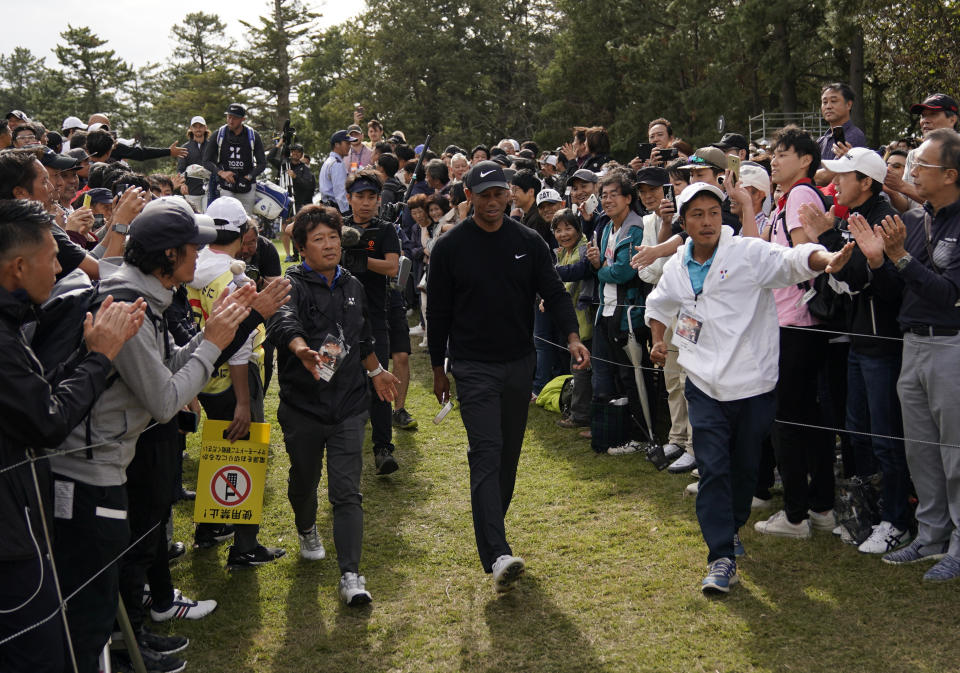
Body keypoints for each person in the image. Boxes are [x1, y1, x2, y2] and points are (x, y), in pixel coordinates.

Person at [48, 198, 255, 673]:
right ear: (167, 257)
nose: (200, 256)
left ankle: (127, 648)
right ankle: (109, 659)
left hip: (105, 463)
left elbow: (163, 373)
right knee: (94, 590)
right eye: (192, 248)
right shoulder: (127, 301)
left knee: (108, 577)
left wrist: (210, 336)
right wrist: (213, 344)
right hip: (86, 468)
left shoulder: (147, 296)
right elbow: (164, 403)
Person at [645, 182, 853, 594]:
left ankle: (731, 525)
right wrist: (657, 339)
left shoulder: (747, 252)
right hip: (702, 383)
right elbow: (660, 304)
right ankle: (720, 557)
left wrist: (826, 257)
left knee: (743, 470)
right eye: (697, 215)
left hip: (753, 385)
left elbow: (792, 259)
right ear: (683, 222)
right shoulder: (677, 267)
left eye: (714, 213)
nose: (707, 222)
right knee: (714, 470)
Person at [427, 160, 588, 593]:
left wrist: (572, 337)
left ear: (510, 195)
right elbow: (438, 312)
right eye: (485, 195)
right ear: (469, 197)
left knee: (508, 459)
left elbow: (553, 292)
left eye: (501, 193)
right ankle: (498, 553)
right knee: (486, 450)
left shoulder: (530, 241)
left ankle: (492, 532)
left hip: (519, 363)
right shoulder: (449, 247)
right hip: (472, 366)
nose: (494, 202)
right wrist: (438, 369)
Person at [0, 199, 143, 673]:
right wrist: (100, 357)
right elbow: (47, 420)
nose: (62, 265)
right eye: (51, 257)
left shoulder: (15, 323)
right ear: (18, 267)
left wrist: (86, 349)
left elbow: (31, 397)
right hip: (12, 538)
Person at [268, 204, 399, 605]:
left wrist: (377, 373)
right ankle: (306, 527)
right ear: (302, 247)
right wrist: (301, 349)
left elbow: (361, 341)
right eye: (318, 239)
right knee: (304, 482)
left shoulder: (353, 285)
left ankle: (351, 576)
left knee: (347, 492)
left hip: (349, 406)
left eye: (333, 238)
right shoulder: (290, 284)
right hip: (303, 407)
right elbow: (282, 321)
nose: (329, 246)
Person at [802, 147, 911, 552]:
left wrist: (827, 238)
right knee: (858, 434)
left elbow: (863, 276)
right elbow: (844, 273)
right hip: (859, 340)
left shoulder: (885, 218)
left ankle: (896, 519)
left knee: (885, 438)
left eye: (843, 177)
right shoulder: (854, 215)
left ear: (866, 182)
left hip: (882, 345)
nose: (834, 184)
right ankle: (867, 513)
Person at [876, 128, 960, 581]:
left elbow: (951, 294)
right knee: (922, 449)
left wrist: (900, 259)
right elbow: (903, 288)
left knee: (956, 451)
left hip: (951, 345)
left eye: (921, 166)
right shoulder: (922, 217)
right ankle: (930, 535)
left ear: (950, 174)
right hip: (913, 344)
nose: (911, 173)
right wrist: (883, 259)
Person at [753, 125, 835, 539]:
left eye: (782, 153)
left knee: (788, 418)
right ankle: (819, 507)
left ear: (805, 159)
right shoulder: (784, 199)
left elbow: (803, 255)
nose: (773, 159)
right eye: (772, 153)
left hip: (794, 322)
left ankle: (797, 515)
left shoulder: (801, 195)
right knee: (807, 416)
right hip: (794, 322)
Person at [341, 170, 402, 474]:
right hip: (337, 315)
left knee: (380, 380)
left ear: (379, 200)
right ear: (349, 198)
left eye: (371, 197)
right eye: (359, 196)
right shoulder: (336, 225)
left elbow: (392, 267)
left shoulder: (386, 229)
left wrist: (362, 261)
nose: (365, 203)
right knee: (339, 376)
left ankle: (382, 448)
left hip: (375, 315)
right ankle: (341, 440)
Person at [202, 103, 267, 215]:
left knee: (246, 220)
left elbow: (262, 163)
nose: (231, 121)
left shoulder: (253, 136)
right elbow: (206, 161)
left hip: (247, 184)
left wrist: (249, 176)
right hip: (226, 184)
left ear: (243, 119)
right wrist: (221, 173)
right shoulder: (219, 134)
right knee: (227, 217)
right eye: (229, 117)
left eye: (235, 118)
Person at [177, 115, 210, 213]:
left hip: (209, 190)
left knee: (208, 217)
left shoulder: (212, 146)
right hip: (191, 190)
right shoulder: (185, 148)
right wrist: (182, 184)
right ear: (191, 129)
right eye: (195, 126)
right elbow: (180, 169)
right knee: (194, 217)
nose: (198, 129)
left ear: (205, 128)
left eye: (201, 126)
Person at [319, 130, 351, 214]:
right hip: (335, 209)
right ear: (337, 144)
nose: (349, 146)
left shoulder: (329, 161)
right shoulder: (337, 164)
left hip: (327, 207)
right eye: (347, 143)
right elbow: (340, 194)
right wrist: (346, 213)